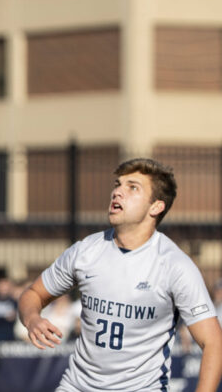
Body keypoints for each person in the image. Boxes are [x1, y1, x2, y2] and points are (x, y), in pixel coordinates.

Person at [18, 158, 222, 391]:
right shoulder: (86, 251)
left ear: (156, 206)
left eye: (132, 187)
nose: (117, 192)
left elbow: (213, 342)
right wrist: (32, 319)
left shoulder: (174, 266)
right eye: (118, 184)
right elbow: (33, 293)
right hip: (76, 386)